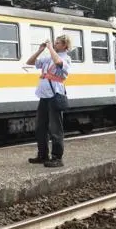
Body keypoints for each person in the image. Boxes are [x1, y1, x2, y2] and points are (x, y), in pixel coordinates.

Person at [25, 35, 72, 168]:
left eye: (58, 43)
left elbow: (58, 63)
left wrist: (50, 47)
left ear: (65, 46)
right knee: (40, 127)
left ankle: (57, 158)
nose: (55, 44)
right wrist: (40, 50)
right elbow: (30, 62)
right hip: (44, 96)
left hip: (55, 95)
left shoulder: (65, 58)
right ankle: (42, 155)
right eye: (54, 43)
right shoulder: (48, 58)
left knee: (55, 129)